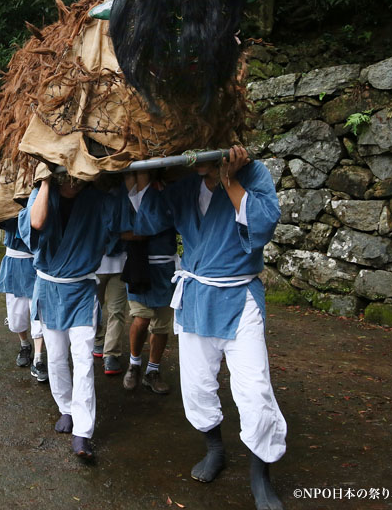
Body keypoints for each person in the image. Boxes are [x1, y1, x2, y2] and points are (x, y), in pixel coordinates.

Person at [135, 145, 286, 510]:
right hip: (195, 298)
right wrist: (148, 181)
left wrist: (229, 181)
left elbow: (264, 226)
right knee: (197, 386)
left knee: (254, 389)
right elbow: (147, 224)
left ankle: (260, 474)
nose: (197, 155)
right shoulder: (183, 184)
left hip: (239, 298)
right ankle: (215, 448)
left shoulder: (254, 174)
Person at [18, 173, 125, 459]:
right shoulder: (42, 196)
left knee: (83, 360)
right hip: (49, 289)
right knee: (55, 357)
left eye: (79, 177)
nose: (74, 183)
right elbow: (36, 224)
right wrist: (44, 184)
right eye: (67, 177)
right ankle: (65, 407)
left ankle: (83, 431)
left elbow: (120, 229)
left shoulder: (99, 201)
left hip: (81, 290)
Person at [120, 171, 177, 395]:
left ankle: (153, 371)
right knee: (141, 319)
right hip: (140, 266)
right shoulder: (134, 197)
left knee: (162, 325)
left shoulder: (172, 196)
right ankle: (134, 364)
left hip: (166, 270)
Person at [0, 218, 47, 382]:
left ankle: (39, 358)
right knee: (16, 315)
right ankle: (25, 344)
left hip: (38, 259)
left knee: (39, 310)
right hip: (15, 259)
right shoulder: (7, 196)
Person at [93, 233, 129, 377]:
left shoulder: (125, 209)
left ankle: (111, 353)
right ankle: (98, 339)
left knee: (117, 311)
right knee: (94, 308)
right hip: (94, 265)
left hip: (121, 264)